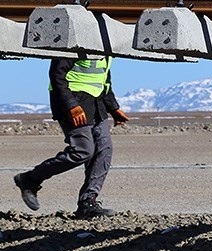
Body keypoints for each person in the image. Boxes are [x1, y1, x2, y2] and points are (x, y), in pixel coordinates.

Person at [13, 56, 129, 217]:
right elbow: (57, 75)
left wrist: (113, 108)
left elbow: (104, 80)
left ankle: (87, 202)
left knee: (104, 150)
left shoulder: (106, 49)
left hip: (97, 105)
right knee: (83, 150)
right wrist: (71, 105)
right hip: (74, 104)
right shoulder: (76, 39)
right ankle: (30, 179)